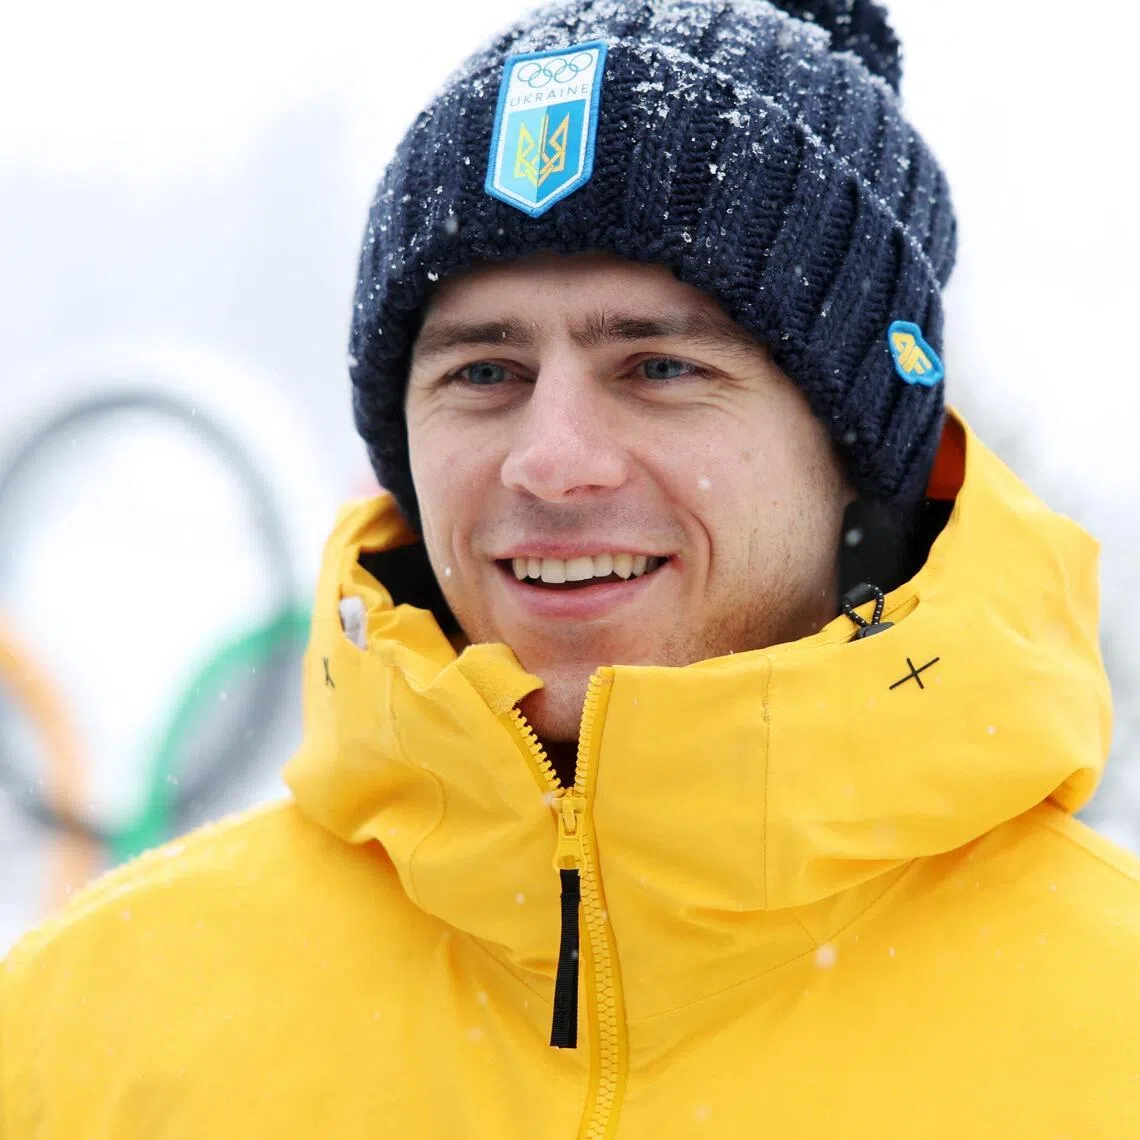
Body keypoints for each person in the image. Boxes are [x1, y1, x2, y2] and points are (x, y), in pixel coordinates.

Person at [4, 0, 1139, 1135]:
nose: (550, 463)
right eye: (484, 372)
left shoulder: (1106, 1033)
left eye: (659, 365)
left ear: (854, 446)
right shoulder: (91, 1030)